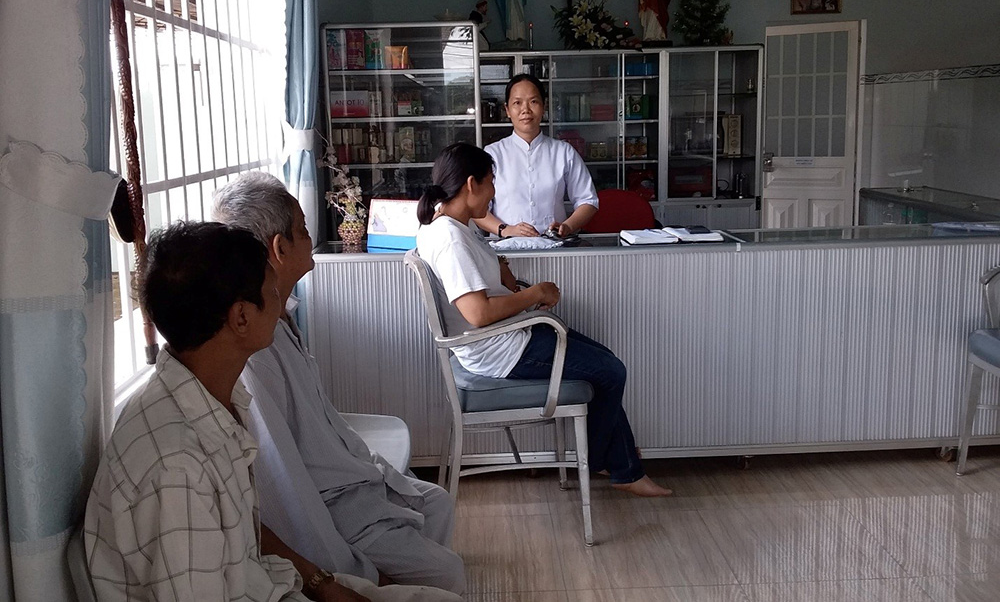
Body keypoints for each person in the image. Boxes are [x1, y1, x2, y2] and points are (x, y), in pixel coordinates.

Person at [83, 222, 371, 601]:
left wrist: (323, 585)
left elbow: (242, 527)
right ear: (241, 317)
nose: (280, 300)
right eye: (272, 290)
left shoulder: (210, 397)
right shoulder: (177, 468)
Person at [213, 172, 465, 595]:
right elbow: (285, 487)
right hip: (333, 505)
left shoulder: (281, 314)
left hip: (350, 482)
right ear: (278, 247)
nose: (310, 237)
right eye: (303, 229)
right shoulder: (253, 349)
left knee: (435, 504)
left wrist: (374, 471)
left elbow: (326, 427)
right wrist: (338, 575)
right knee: (447, 573)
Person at [417, 143, 672, 498]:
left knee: (606, 363)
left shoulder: (449, 227)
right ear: (472, 184)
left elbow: (487, 289)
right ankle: (615, 464)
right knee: (611, 371)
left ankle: (620, 462)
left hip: (508, 337)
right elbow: (477, 313)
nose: (494, 193)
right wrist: (535, 294)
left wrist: (502, 273)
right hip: (501, 349)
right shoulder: (450, 239)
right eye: (491, 183)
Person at [474, 73, 599, 238]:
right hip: (506, 249)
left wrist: (567, 226)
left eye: (533, 101)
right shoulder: (492, 154)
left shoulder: (563, 152)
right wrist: (505, 229)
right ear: (507, 110)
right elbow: (475, 207)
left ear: (544, 106)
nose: (525, 110)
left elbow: (588, 200)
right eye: (517, 103)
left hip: (553, 245)